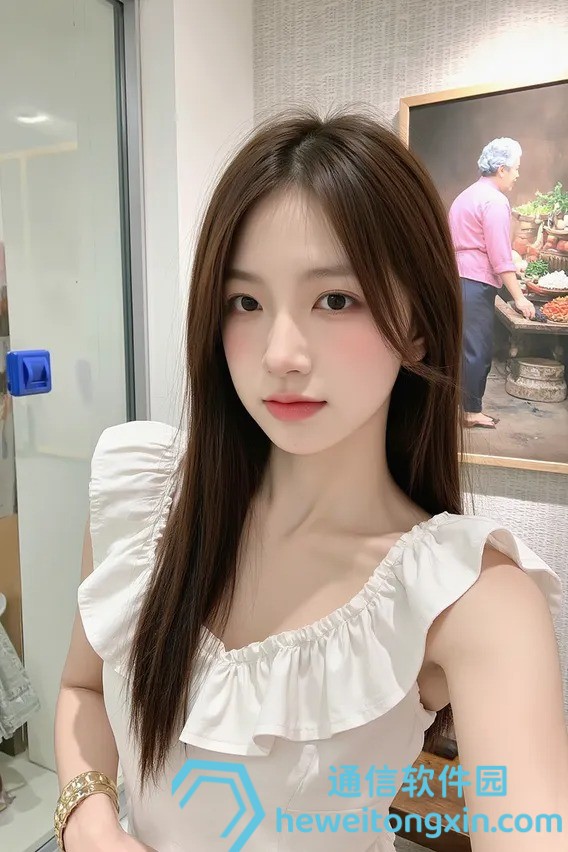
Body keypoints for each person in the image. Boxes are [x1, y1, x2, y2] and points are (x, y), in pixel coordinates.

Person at [53, 110, 567, 852]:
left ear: (419, 326)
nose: (280, 354)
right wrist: (90, 822)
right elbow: (83, 687)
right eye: (246, 303)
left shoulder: (470, 596)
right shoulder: (144, 499)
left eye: (335, 300)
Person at [449, 138, 536, 430]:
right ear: (501, 169)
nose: (517, 174)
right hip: (475, 281)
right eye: (516, 168)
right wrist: (519, 297)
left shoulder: (466, 195)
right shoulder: (495, 201)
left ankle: (460, 407)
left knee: (463, 346)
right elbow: (499, 256)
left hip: (457, 277)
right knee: (478, 348)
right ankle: (471, 412)